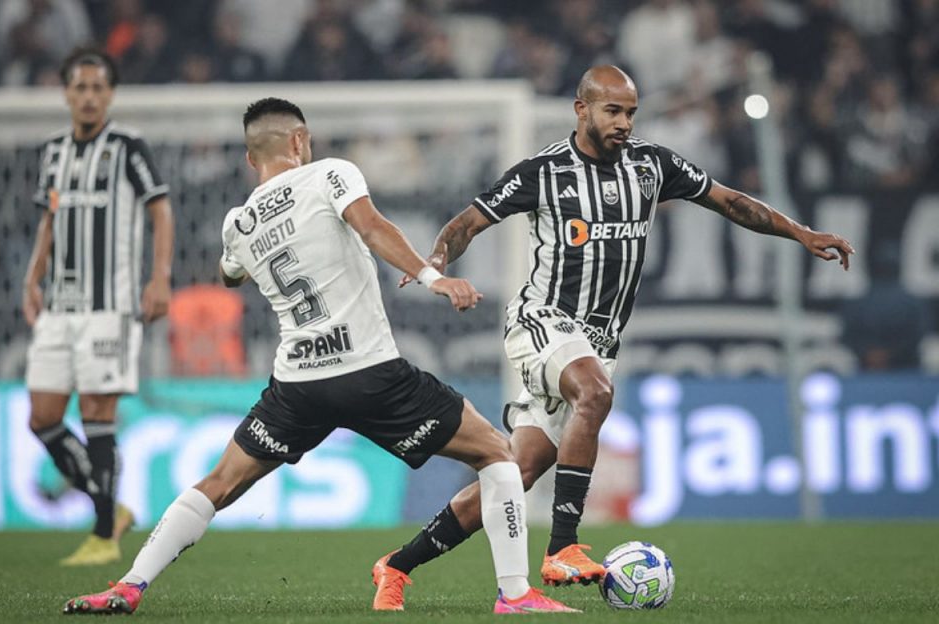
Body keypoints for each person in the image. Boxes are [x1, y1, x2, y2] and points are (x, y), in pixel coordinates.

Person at [62, 98, 577, 615]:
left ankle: (129, 585)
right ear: (298, 141)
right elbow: (372, 226)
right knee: (497, 455)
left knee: (219, 484)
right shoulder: (330, 173)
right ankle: (515, 595)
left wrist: (243, 257)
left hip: (299, 387)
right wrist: (432, 277)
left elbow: (229, 274)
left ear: (250, 159)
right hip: (371, 373)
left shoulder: (237, 224)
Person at [373, 65, 855, 608]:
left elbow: (731, 202)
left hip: (599, 341)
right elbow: (467, 223)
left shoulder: (653, 166)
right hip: (542, 320)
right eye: (612, 110)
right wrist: (436, 262)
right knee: (595, 392)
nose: (624, 122)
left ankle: (396, 565)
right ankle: (563, 546)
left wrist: (800, 232)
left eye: (630, 112)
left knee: (517, 470)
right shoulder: (544, 171)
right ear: (582, 110)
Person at [22, 47, 174, 566]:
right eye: (80, 87)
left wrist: (159, 279)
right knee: (42, 417)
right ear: (66, 93)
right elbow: (48, 221)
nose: (88, 96)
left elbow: (161, 209)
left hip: (111, 305)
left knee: (96, 414)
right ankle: (111, 509)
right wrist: (32, 277)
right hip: (59, 305)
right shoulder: (52, 151)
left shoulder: (128, 146)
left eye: (98, 88)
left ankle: (104, 532)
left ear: (109, 94)